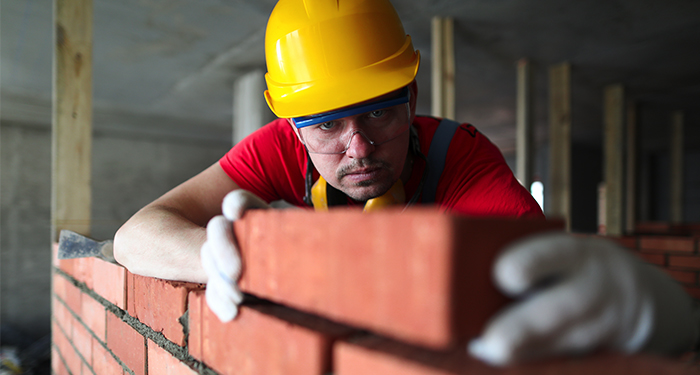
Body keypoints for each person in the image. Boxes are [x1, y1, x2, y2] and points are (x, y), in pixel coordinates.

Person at [114, 0, 699, 366]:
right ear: (289, 125)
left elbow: (541, 285)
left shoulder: (459, 157)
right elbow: (134, 236)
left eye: (378, 113)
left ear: (411, 97)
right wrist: (223, 257)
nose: (359, 146)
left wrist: (665, 328)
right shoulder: (278, 152)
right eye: (326, 126)